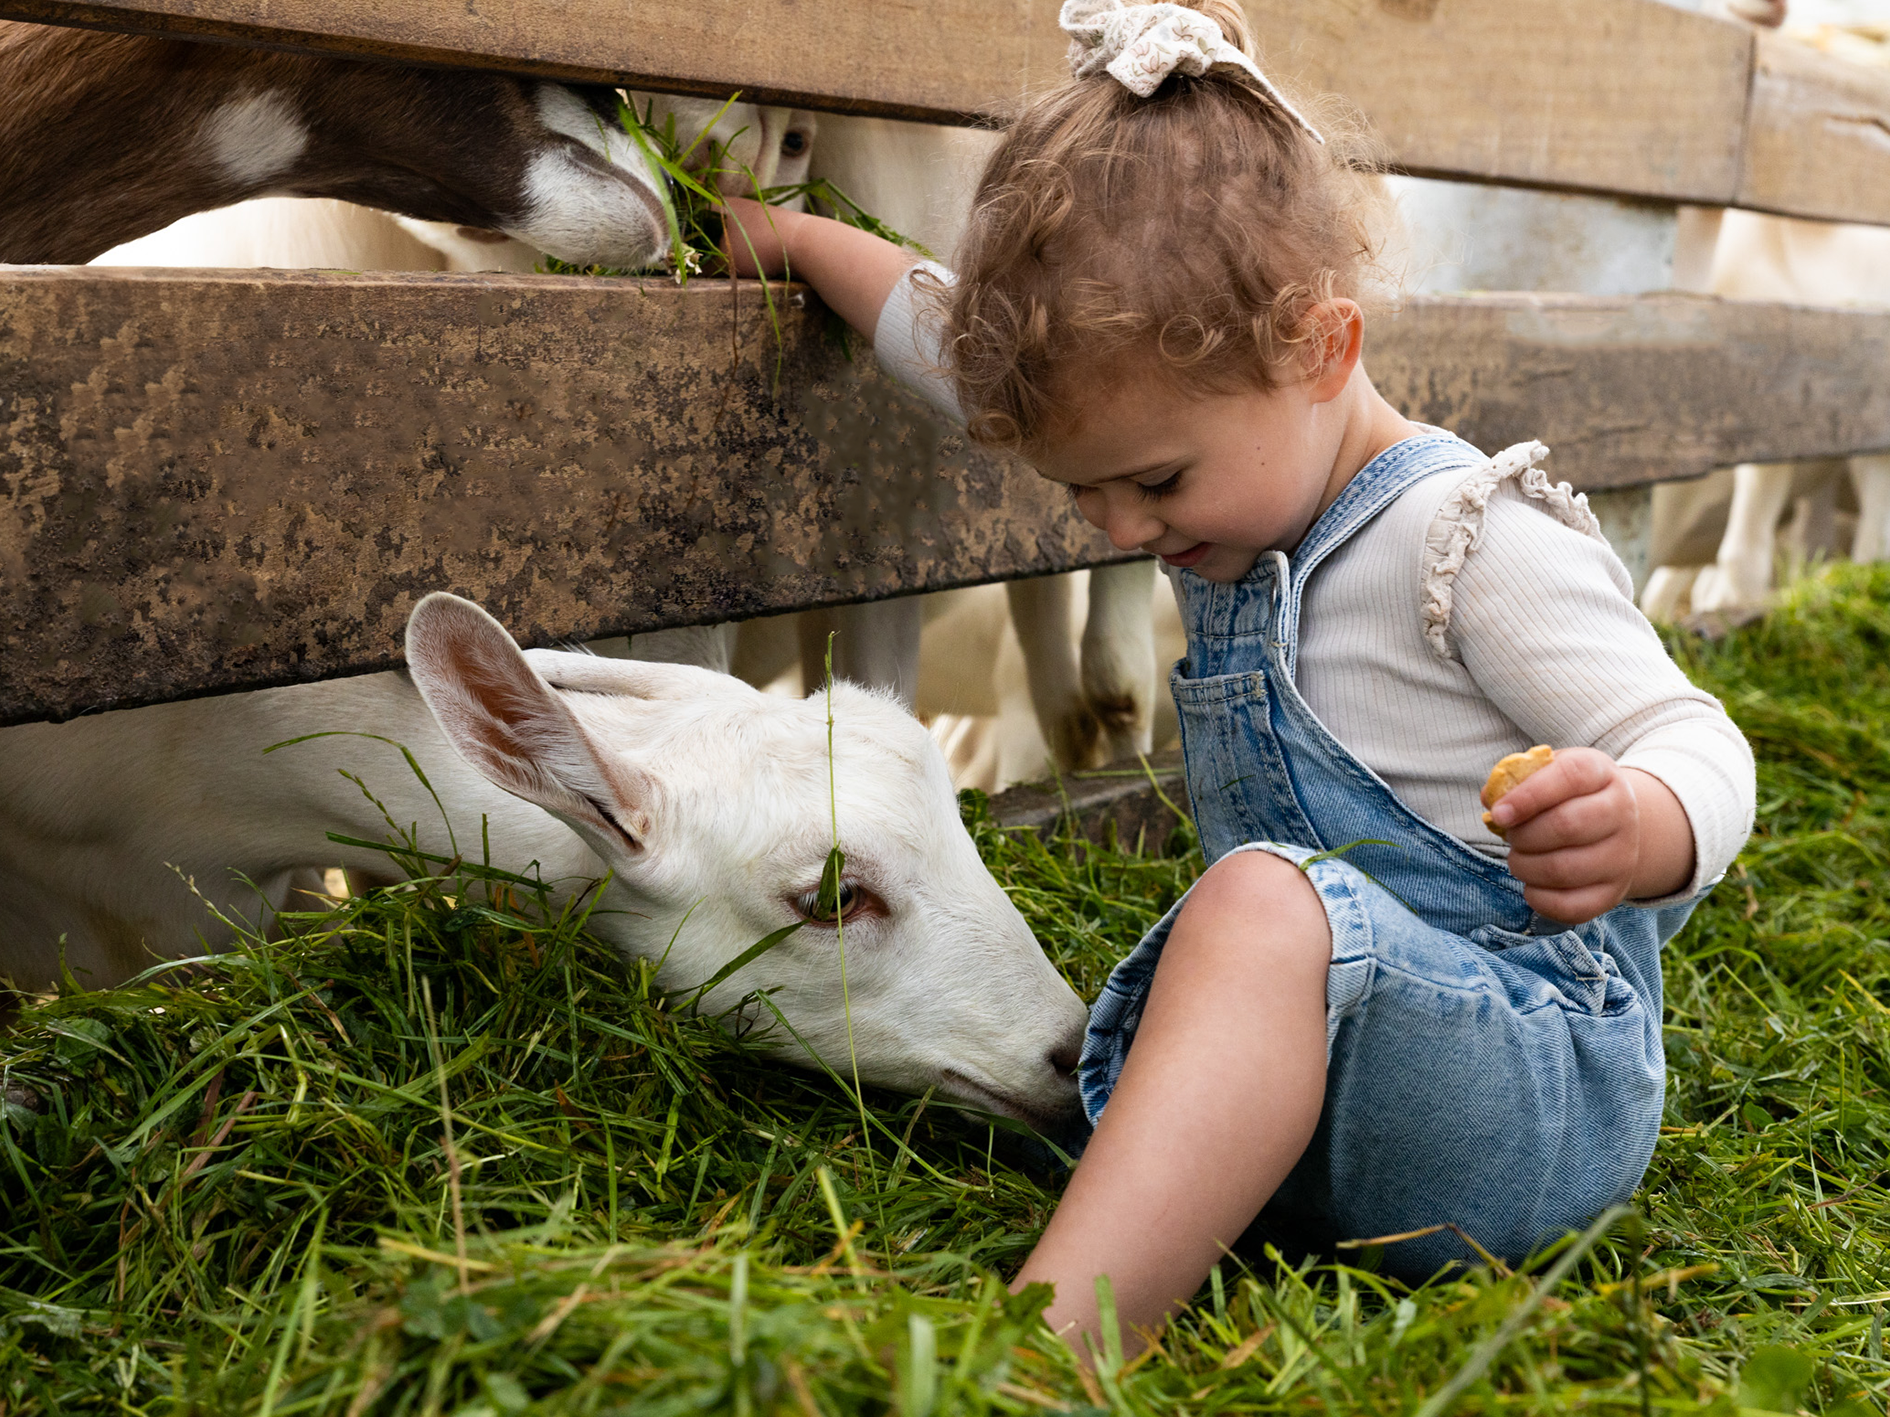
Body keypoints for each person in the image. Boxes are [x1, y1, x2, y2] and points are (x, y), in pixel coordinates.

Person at [722, 0, 1755, 1360]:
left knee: (1264, 907)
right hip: (1327, 1102)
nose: (1118, 527)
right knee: (1257, 921)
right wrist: (801, 242)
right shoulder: (1228, 481)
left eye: (1153, 480)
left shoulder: (1463, 539)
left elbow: (1694, 734)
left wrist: (1645, 822)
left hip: (1517, 1102)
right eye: (1080, 490)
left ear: (1322, 350)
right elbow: (950, 350)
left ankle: (1049, 1353)